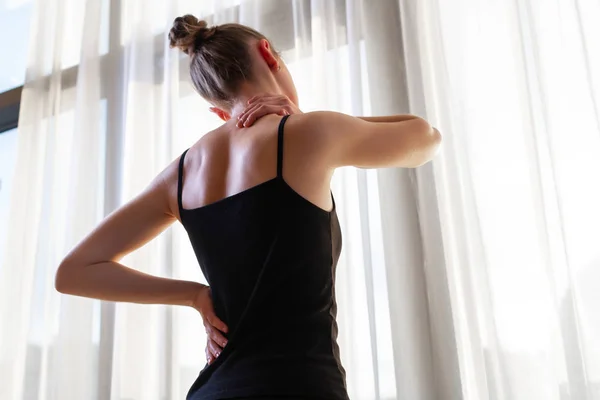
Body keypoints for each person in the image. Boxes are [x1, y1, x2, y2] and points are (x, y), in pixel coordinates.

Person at [55, 14, 441, 400]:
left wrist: (194, 295)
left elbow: (73, 272)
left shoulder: (182, 174)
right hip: (299, 387)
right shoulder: (310, 133)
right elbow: (426, 139)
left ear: (219, 110)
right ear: (268, 54)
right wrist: (307, 119)